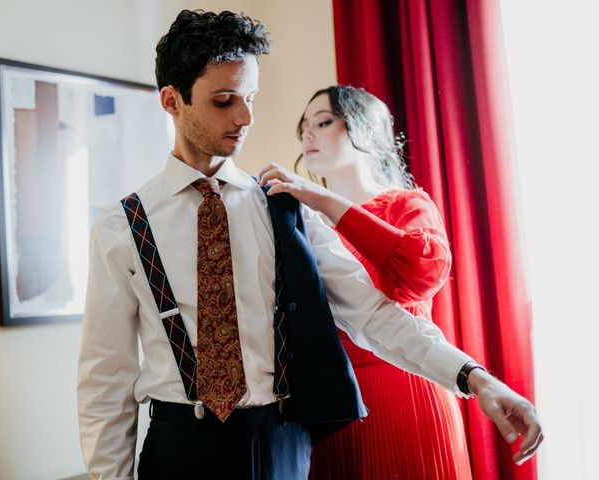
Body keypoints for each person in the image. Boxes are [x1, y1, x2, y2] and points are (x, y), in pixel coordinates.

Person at [77, 10, 542, 480]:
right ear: (172, 101)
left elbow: (373, 315)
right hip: (178, 450)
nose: (246, 117)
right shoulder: (121, 225)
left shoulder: (285, 207)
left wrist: (475, 377)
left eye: (251, 97)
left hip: (281, 447)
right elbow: (105, 380)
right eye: (224, 100)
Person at [259, 85, 471, 479]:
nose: (307, 135)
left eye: (323, 122)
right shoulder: (303, 222)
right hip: (333, 400)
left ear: (366, 129)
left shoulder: (407, 205)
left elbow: (418, 273)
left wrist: (325, 203)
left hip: (407, 390)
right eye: (303, 127)